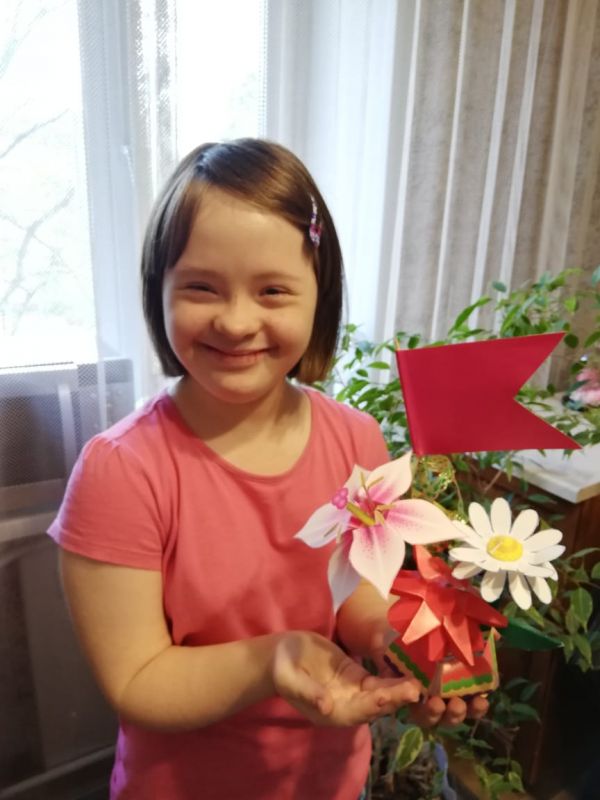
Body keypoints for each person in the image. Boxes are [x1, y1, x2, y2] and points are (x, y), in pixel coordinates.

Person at [49, 138, 486, 799]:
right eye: (200, 287)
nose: (235, 321)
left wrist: (406, 650)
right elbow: (137, 680)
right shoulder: (121, 471)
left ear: (318, 298)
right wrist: (274, 660)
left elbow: (358, 596)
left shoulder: (356, 438)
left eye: (273, 290)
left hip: (329, 780)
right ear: (157, 291)